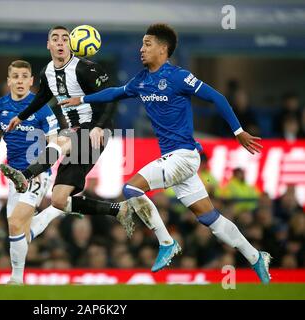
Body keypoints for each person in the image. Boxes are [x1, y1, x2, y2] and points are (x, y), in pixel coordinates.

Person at [61, 23, 271, 283]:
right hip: (175, 160)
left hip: (184, 155)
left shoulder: (179, 77)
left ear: (163, 49)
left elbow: (217, 97)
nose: (141, 49)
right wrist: (82, 100)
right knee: (210, 218)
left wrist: (238, 131)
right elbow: (115, 92)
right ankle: (255, 257)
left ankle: (166, 242)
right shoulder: (141, 80)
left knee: (132, 189)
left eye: (147, 44)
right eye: (141, 44)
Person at [1, 26, 135, 237]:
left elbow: (111, 98)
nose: (61, 42)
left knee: (61, 141)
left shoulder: (86, 69)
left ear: (71, 44)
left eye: (65, 38)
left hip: (95, 129)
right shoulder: (47, 71)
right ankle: (119, 210)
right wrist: (20, 117)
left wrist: (99, 127)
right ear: (49, 45)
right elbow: (42, 98)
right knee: (59, 200)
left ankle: (25, 176)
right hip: (75, 130)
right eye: (56, 39)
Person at [0, 60, 65, 284]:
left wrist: (43, 168)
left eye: (25, 76)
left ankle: (15, 280)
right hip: (13, 176)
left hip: (36, 174)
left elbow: (55, 142)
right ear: (9, 81)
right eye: (16, 76)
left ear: (31, 81)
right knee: (20, 231)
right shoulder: (0, 107)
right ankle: (54, 211)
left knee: (15, 223)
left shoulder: (41, 107)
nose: (20, 80)